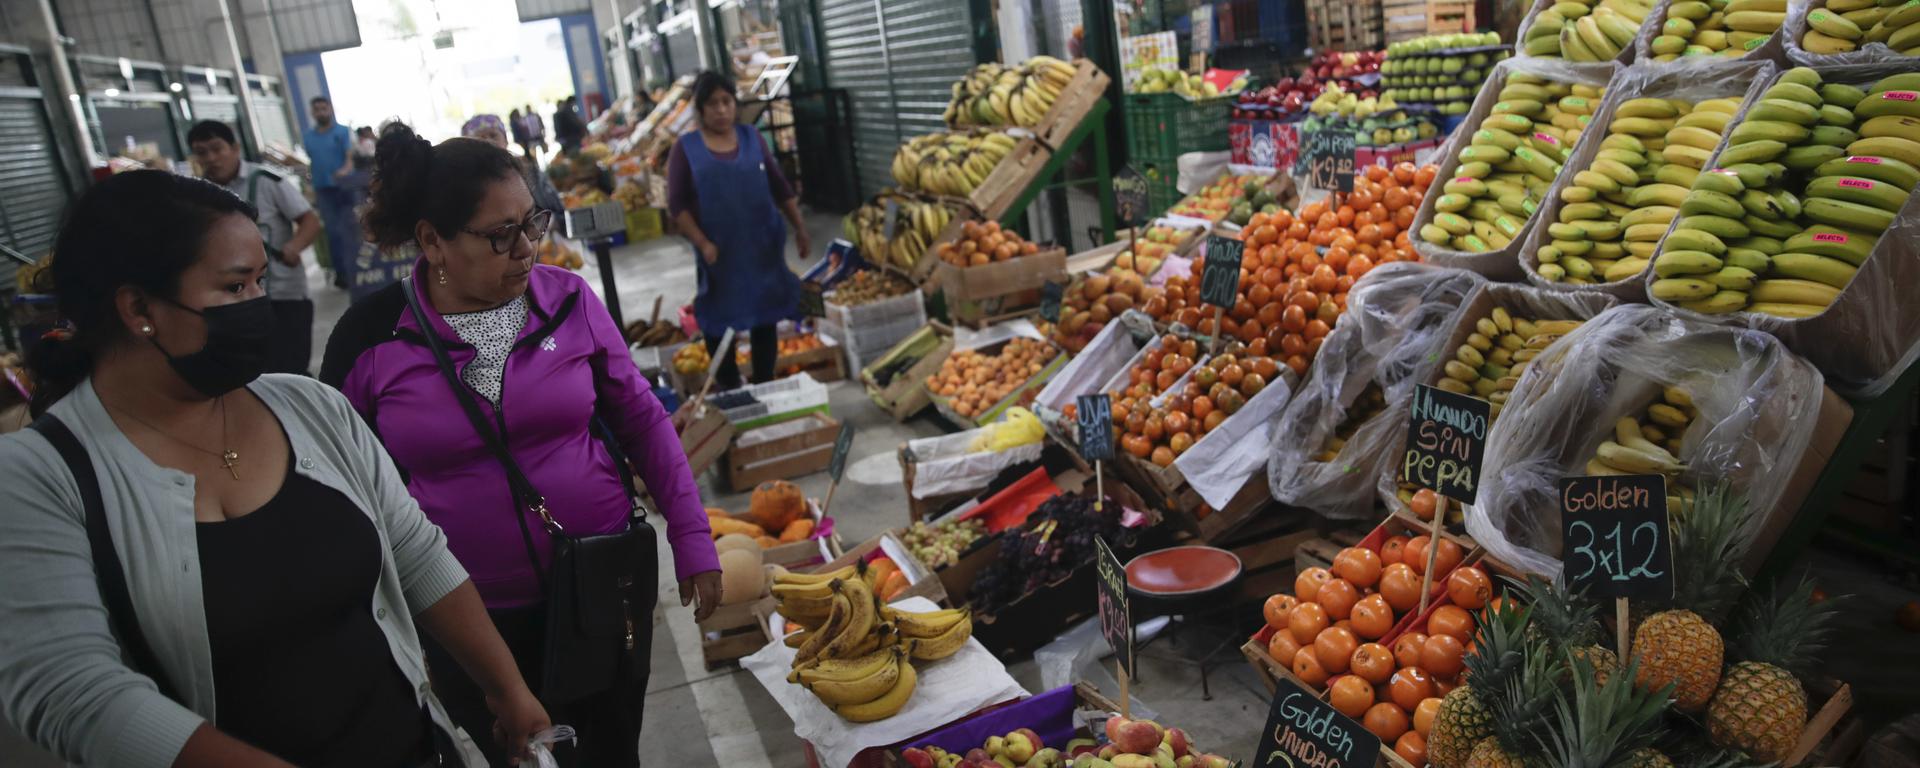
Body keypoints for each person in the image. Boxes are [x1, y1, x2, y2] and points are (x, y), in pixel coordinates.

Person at [0, 170, 550, 768]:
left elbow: (416, 552)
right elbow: (75, 695)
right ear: (138, 308)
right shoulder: (38, 479)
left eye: (262, 281)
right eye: (236, 288)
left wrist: (506, 686)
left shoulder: (310, 408)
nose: (260, 306)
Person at [319, 123, 721, 768]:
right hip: (466, 618)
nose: (527, 248)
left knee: (612, 750)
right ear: (432, 241)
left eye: (531, 223)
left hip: (601, 580)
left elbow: (642, 419)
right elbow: (341, 485)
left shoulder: (569, 302)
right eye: (500, 234)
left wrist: (692, 534)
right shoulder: (369, 339)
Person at [667, 71, 811, 388]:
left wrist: (799, 227)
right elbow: (677, 205)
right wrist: (702, 242)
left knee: (765, 314)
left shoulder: (751, 137)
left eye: (726, 101)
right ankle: (730, 387)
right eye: (712, 103)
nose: (721, 110)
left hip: (761, 247)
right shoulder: (686, 148)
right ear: (701, 109)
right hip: (719, 253)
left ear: (735, 104)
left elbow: (779, 185)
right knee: (718, 321)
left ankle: (765, 383)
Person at [189, 120, 323, 376]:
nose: (211, 158)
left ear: (235, 148)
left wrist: (294, 247)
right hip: (233, 302)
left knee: (291, 372)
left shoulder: (266, 180)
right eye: (202, 152)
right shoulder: (197, 195)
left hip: (284, 295)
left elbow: (309, 221)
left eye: (217, 149)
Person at [303, 96, 359, 290]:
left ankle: (357, 269)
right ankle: (342, 273)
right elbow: (312, 161)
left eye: (323, 108)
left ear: (330, 109)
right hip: (322, 189)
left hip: (344, 188)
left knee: (352, 229)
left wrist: (344, 171)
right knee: (333, 232)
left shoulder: (343, 132)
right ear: (312, 112)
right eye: (316, 109)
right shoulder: (308, 137)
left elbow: (349, 157)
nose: (320, 112)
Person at [463, 113, 564, 214]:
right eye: (480, 139)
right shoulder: (468, 189)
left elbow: (558, 209)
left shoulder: (531, 172)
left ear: (506, 140)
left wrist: (551, 221)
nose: (488, 141)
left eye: (493, 135)